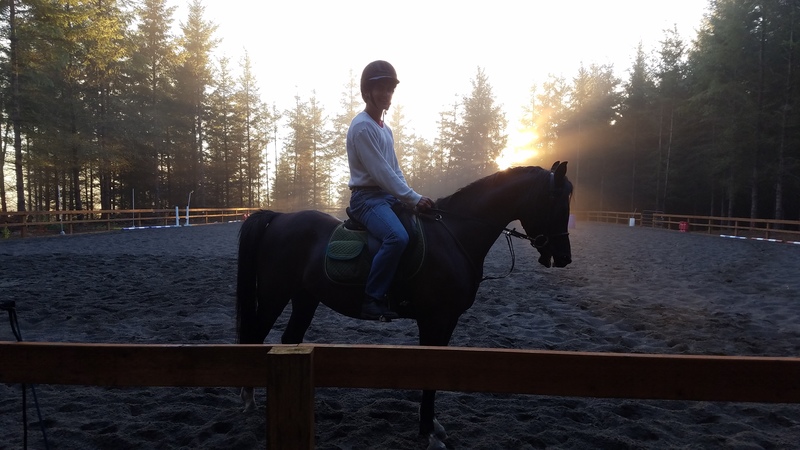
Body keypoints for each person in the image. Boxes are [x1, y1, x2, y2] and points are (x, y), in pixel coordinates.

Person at [347, 60, 435, 321]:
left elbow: (394, 170)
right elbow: (380, 173)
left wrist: (410, 197)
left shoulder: (386, 130)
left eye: (390, 89)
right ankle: (372, 299)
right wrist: (411, 198)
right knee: (397, 237)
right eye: (381, 88)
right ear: (367, 92)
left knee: (421, 230)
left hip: (386, 196)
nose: (387, 94)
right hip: (366, 199)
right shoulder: (362, 127)